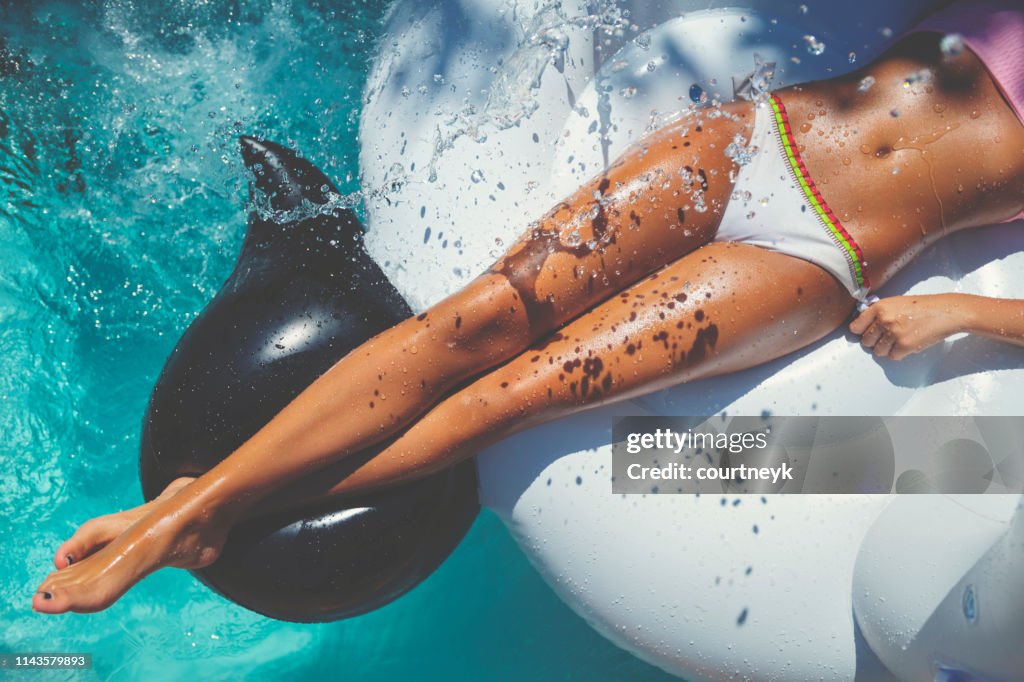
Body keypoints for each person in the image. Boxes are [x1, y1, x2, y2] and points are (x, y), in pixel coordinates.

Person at [33, 0, 1023, 614]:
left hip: (818, 257)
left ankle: (198, 525)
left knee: (506, 397)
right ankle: (184, 513)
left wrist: (959, 319)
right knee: (467, 326)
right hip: (746, 145)